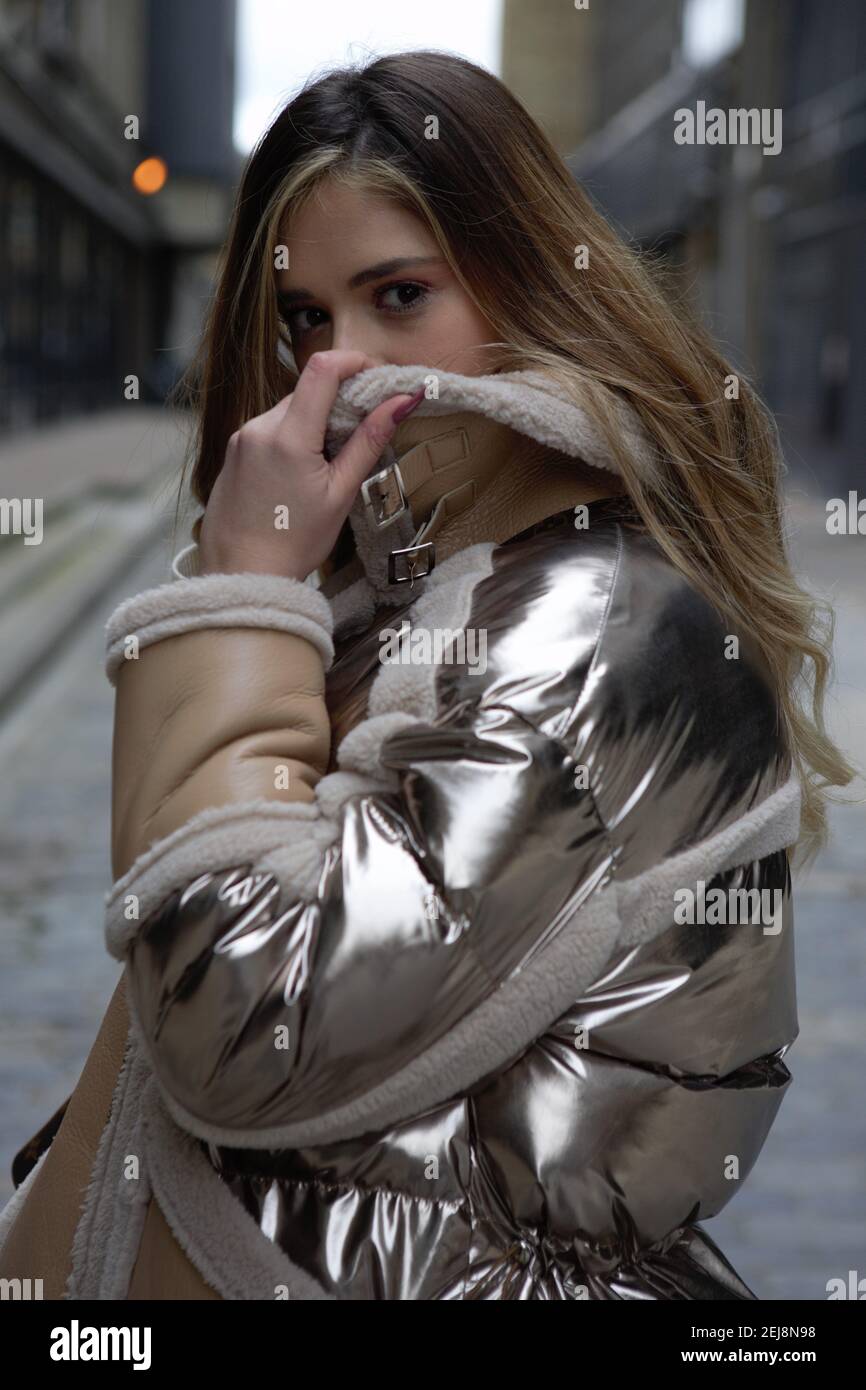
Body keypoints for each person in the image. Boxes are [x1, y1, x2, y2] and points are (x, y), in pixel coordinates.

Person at [0, 50, 853, 1301]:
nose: (338, 369)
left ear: (525, 288)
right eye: (304, 319)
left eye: (400, 295)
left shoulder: (591, 624)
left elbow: (241, 1031)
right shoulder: (410, 574)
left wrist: (242, 592)